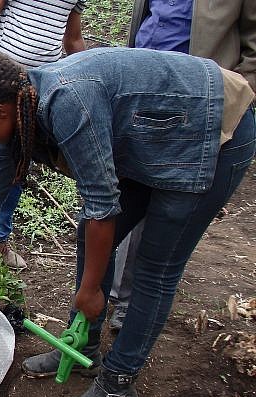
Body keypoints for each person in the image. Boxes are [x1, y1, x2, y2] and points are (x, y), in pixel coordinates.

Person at [0, 49, 255, 397]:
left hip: (211, 127)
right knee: (91, 240)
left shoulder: (67, 103)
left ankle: (118, 383)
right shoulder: (18, 110)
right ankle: (85, 351)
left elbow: (101, 206)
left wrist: (91, 290)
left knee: (155, 267)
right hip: (156, 130)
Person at [109, 0, 256, 332]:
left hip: (198, 110)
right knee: (119, 207)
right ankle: (109, 298)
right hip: (143, 103)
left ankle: (130, 306)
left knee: (161, 220)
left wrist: (233, 98)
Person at [0, 0, 86, 268]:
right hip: (0, 84)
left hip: (39, 92)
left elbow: (73, 38)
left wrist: (85, 76)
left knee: (19, 171)